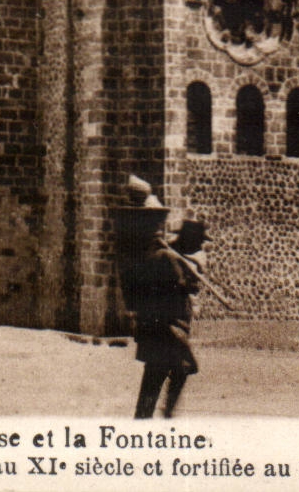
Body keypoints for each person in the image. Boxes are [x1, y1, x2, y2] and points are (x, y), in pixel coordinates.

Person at [115, 176, 200, 420]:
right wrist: (189, 275)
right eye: (155, 221)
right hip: (169, 327)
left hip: (151, 326)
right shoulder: (163, 257)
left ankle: (149, 419)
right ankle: (166, 416)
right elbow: (185, 285)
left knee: (156, 375)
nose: (159, 225)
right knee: (180, 368)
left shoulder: (136, 255)